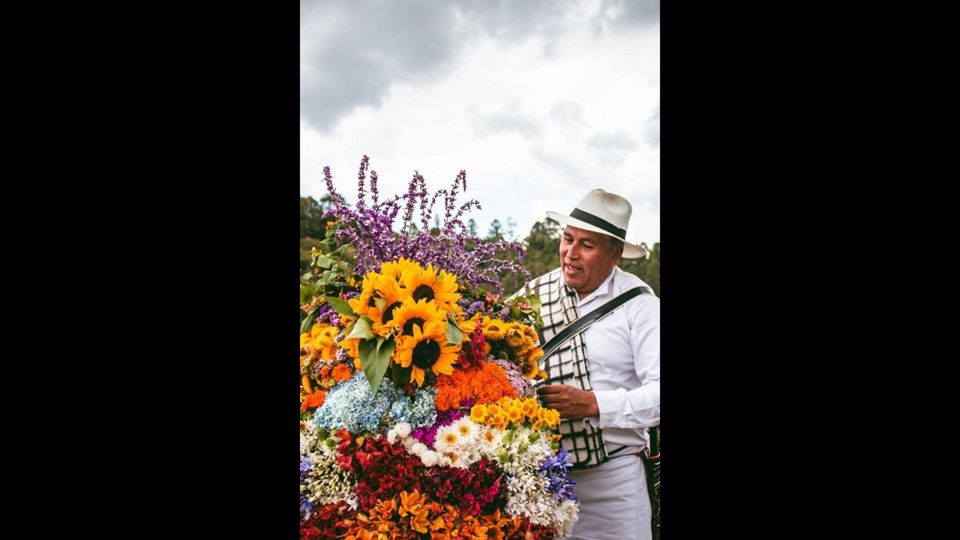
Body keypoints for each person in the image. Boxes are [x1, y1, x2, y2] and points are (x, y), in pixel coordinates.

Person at [523, 188, 660, 540]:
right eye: (568, 239)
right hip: (539, 482)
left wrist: (592, 403)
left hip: (615, 486)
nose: (570, 253)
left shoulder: (641, 307)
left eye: (587, 244)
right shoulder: (533, 296)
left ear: (615, 255)